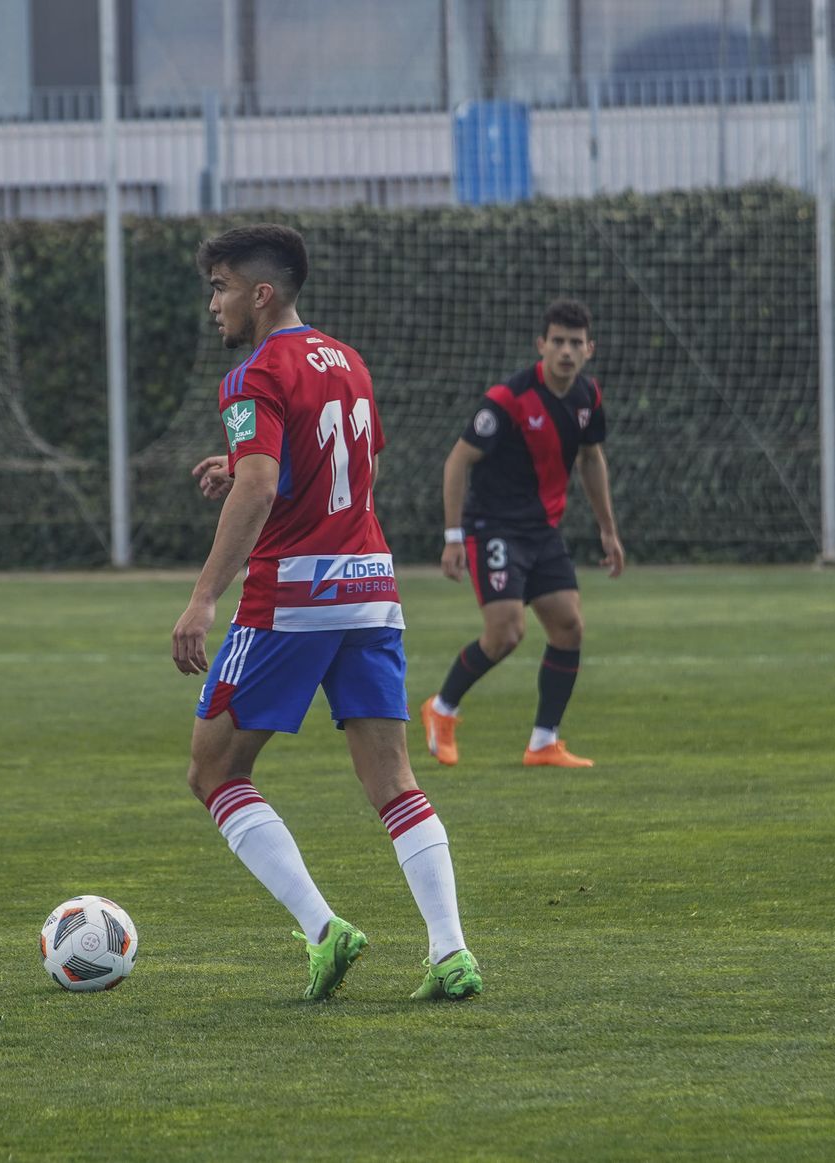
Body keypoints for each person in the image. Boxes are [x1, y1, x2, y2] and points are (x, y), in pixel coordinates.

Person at [174, 224, 481, 1002]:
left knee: (214, 770)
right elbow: (348, 462)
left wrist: (204, 595)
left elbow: (260, 487)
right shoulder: (348, 360)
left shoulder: (253, 374)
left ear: (260, 293)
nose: (214, 304)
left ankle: (324, 928)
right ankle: (451, 952)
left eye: (221, 288)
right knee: (394, 779)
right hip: (371, 586)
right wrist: (246, 465)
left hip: (293, 596)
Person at [420, 299, 624, 769]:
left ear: (589, 349)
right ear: (541, 345)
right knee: (506, 632)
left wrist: (608, 530)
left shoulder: (587, 397)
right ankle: (442, 709)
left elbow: (591, 458)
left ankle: (543, 742)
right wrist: (453, 536)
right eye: (558, 342)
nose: (566, 351)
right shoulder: (509, 399)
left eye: (576, 343)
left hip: (542, 531)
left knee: (569, 626)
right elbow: (457, 461)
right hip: (493, 527)